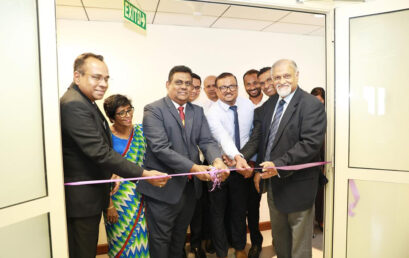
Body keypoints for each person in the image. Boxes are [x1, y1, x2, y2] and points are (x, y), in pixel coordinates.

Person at [60, 53, 169, 258]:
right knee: (82, 251)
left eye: (106, 78)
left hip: (94, 195)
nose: (103, 83)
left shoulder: (86, 101)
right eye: (96, 77)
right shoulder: (74, 104)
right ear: (77, 76)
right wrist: (144, 174)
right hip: (82, 200)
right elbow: (99, 152)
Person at [137, 65, 229, 258]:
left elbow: (206, 141)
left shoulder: (197, 111)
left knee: (179, 239)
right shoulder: (153, 110)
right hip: (163, 188)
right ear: (168, 84)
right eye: (178, 82)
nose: (184, 87)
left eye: (188, 83)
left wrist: (217, 160)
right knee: (161, 240)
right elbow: (160, 148)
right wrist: (194, 168)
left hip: (189, 190)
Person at [251, 59, 326, 258]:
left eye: (286, 76)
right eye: (277, 77)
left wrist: (279, 164)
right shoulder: (271, 104)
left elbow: (309, 144)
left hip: (298, 185)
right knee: (280, 240)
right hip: (275, 185)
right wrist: (240, 159)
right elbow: (263, 140)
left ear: (297, 75)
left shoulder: (311, 105)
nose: (281, 81)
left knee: (299, 246)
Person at [206, 72, 253, 258]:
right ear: (216, 90)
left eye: (232, 86)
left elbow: (251, 135)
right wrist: (235, 157)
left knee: (239, 211)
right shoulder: (211, 113)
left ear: (237, 87)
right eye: (223, 87)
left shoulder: (247, 105)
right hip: (220, 168)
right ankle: (221, 253)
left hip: (242, 169)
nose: (228, 90)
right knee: (217, 215)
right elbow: (221, 137)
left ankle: (240, 248)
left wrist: (245, 159)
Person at [101, 94, 150, 257]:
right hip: (117, 197)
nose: (127, 115)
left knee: (142, 238)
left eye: (129, 110)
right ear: (111, 117)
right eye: (121, 113)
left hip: (143, 193)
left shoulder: (142, 131)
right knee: (120, 239)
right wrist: (109, 205)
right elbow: (102, 170)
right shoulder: (106, 136)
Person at [310, 87, 327, 231]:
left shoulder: (329, 117)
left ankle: (323, 220)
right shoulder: (308, 116)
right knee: (315, 194)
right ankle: (316, 220)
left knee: (323, 194)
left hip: (326, 160)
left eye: (320, 101)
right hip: (313, 160)